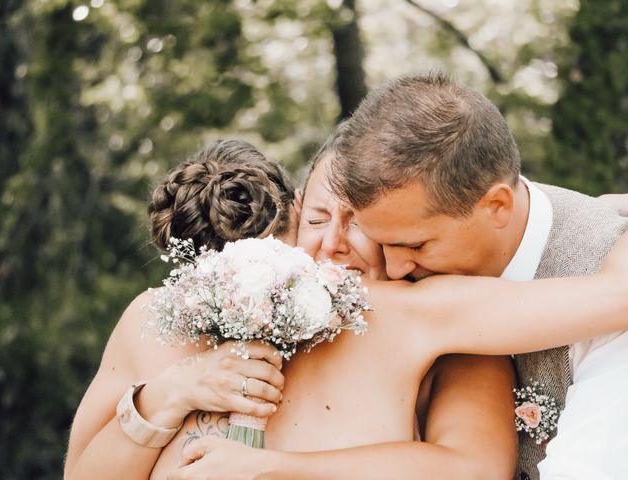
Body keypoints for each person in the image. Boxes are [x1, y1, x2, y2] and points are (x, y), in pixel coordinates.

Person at [65, 139, 628, 480]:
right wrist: (169, 394)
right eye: (317, 219)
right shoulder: (159, 315)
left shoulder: (426, 315)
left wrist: (598, 218)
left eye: (358, 223)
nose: (333, 242)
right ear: (292, 215)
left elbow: (474, 469)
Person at [327, 73, 628, 480]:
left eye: (416, 246)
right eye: (381, 242)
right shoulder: (384, 284)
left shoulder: (606, 274)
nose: (394, 269)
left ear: (498, 206)